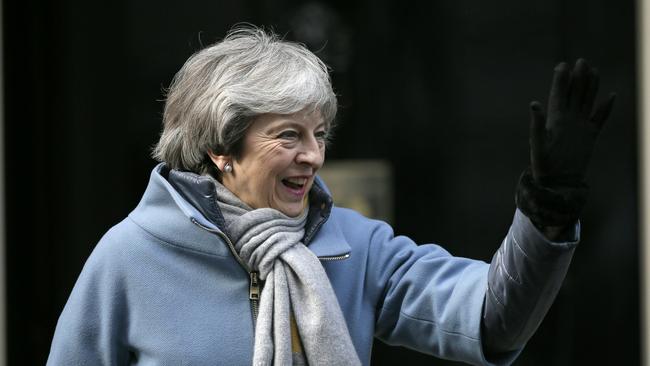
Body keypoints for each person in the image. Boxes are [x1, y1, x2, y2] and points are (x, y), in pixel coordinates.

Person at [46, 25, 615, 366]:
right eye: (288, 135)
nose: (313, 155)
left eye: (319, 134)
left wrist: (548, 205)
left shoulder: (354, 246)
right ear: (222, 148)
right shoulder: (131, 256)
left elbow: (492, 320)